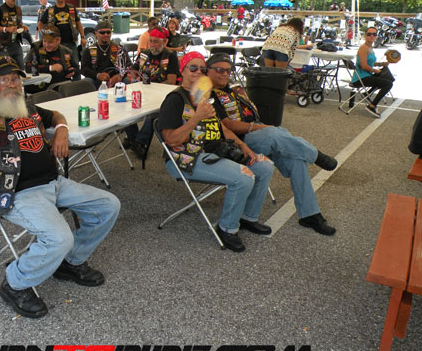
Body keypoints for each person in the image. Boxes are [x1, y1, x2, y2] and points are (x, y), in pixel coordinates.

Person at [0, 55, 120, 318]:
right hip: (16, 193)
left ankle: (70, 261)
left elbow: (56, 115)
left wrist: (61, 128)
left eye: (16, 79)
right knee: (60, 237)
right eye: (4, 80)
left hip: (54, 183)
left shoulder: (28, 107)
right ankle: (15, 283)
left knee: (108, 205)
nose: (13, 84)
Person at [206, 53, 338, 236]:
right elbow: (228, 125)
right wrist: (260, 127)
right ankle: (315, 155)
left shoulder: (233, 90)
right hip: (236, 144)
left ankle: (310, 214)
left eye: (228, 70)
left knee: (296, 161)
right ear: (207, 71)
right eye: (220, 70)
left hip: (256, 138)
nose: (225, 74)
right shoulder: (208, 95)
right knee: (273, 133)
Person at [158, 52, 274, 252]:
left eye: (202, 69)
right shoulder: (175, 99)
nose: (198, 72)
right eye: (192, 67)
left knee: (264, 165)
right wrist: (196, 117)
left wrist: (242, 146)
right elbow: (171, 139)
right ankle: (227, 229)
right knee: (244, 177)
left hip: (217, 152)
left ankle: (248, 218)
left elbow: (223, 129)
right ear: (182, 71)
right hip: (186, 158)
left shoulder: (205, 97)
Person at [124, 26, 180, 155]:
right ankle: (133, 137)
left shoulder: (170, 56)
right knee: (125, 105)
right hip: (142, 89)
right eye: (151, 41)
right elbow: (133, 70)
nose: (153, 45)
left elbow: (171, 81)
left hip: (161, 93)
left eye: (156, 42)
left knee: (153, 114)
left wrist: (151, 86)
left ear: (165, 42)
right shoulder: (144, 54)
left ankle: (140, 141)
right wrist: (132, 76)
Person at [352, 27, 393, 118]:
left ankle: (367, 94)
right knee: (388, 84)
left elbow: (370, 63)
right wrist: (376, 70)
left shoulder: (370, 48)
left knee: (388, 78)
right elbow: (364, 66)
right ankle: (372, 105)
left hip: (367, 76)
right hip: (361, 78)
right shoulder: (363, 48)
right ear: (365, 36)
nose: (372, 36)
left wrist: (381, 64)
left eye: (374, 34)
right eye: (369, 34)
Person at [38, 0, 86, 66]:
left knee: (75, 65)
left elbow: (78, 23)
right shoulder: (50, 10)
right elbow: (40, 23)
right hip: (55, 44)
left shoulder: (71, 8)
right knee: (58, 65)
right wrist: (45, 35)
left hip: (71, 42)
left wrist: (83, 37)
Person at [24, 25, 78, 90]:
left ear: (58, 40)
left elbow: (76, 68)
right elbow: (28, 68)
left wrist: (73, 72)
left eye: (50, 42)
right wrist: (50, 68)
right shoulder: (36, 48)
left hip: (62, 86)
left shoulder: (66, 51)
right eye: (44, 41)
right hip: (41, 88)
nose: (46, 45)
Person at [80, 21, 130, 87]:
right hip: (96, 78)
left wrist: (119, 75)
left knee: (127, 79)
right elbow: (84, 69)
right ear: (96, 33)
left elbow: (129, 65)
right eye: (102, 32)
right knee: (86, 82)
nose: (106, 35)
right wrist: (97, 75)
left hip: (117, 78)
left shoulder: (119, 48)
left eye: (108, 32)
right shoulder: (89, 50)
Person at [0, 0, 30, 70]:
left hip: (16, 42)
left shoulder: (18, 9)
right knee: (6, 69)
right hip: (3, 44)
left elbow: (19, 23)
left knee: (20, 68)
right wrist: (6, 29)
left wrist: (23, 27)